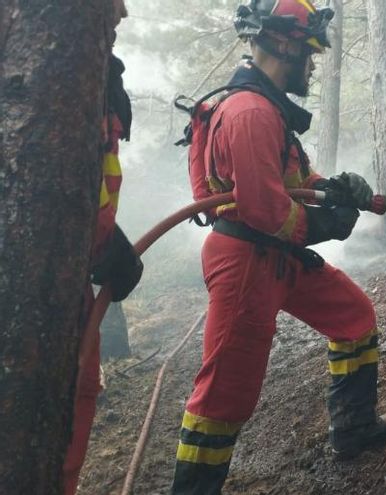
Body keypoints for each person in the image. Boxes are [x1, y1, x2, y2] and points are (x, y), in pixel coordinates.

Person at [171, 1, 386, 492]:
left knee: (354, 318)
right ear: (282, 45)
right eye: (309, 52)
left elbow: (291, 180)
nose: (313, 65)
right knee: (224, 397)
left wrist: (334, 189)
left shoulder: (266, 105)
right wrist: (326, 224)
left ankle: (355, 429)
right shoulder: (250, 112)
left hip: (277, 255)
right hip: (248, 264)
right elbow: (267, 210)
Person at [63, 1, 143, 493]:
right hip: (40, 291)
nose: (122, 12)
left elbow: (88, 185)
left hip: (70, 280)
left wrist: (106, 243)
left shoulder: (93, 75)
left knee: (78, 397)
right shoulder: (56, 76)